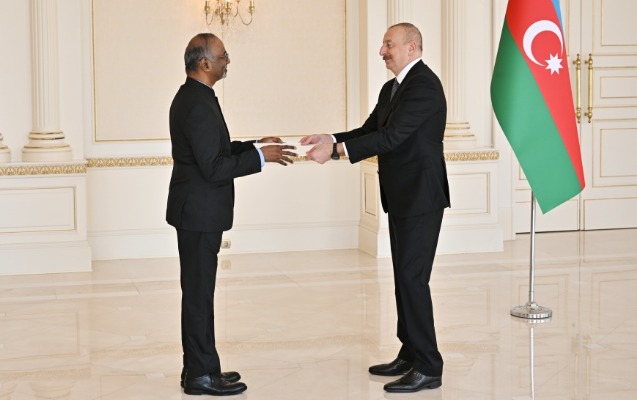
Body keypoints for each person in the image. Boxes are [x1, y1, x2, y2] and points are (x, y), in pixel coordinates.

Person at [301, 22, 449, 393]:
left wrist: (336, 152)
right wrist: (331, 137)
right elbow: (371, 130)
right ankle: (410, 352)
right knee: (403, 278)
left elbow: (392, 137)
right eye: (383, 44)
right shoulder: (391, 88)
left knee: (413, 279)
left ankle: (429, 366)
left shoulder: (425, 86)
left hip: (421, 197)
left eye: (389, 44)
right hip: (400, 196)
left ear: (412, 47)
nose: (382, 51)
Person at [166, 33, 296, 396]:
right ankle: (200, 375)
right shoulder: (195, 102)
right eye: (223, 56)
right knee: (198, 296)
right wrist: (260, 159)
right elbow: (214, 167)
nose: (228, 61)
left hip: (198, 212)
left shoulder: (197, 96)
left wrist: (256, 146)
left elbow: (217, 150)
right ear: (204, 63)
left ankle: (202, 368)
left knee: (200, 295)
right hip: (198, 214)